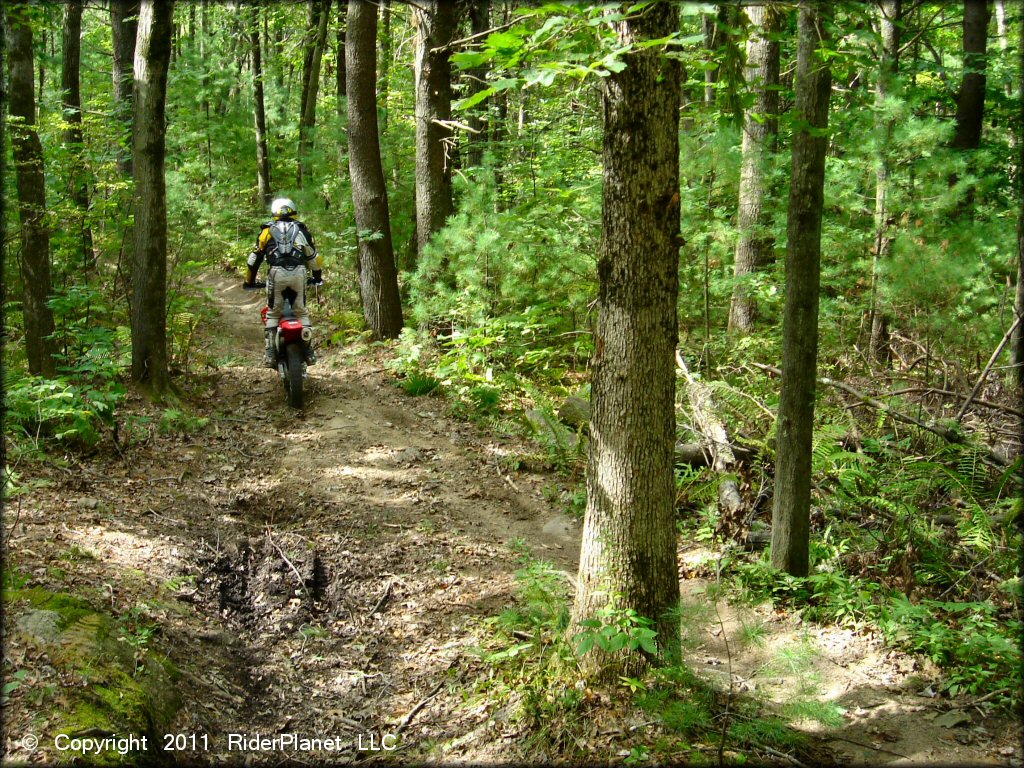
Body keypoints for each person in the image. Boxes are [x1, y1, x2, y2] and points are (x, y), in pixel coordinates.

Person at [243, 197, 323, 367]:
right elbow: (313, 257)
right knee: (301, 312)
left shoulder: (267, 231)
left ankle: (271, 352)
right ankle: (308, 350)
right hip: (299, 273)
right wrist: (317, 277)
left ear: (275, 212)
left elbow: (254, 258)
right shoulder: (301, 230)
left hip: (276, 273)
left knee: (273, 313)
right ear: (293, 211)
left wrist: (249, 281)